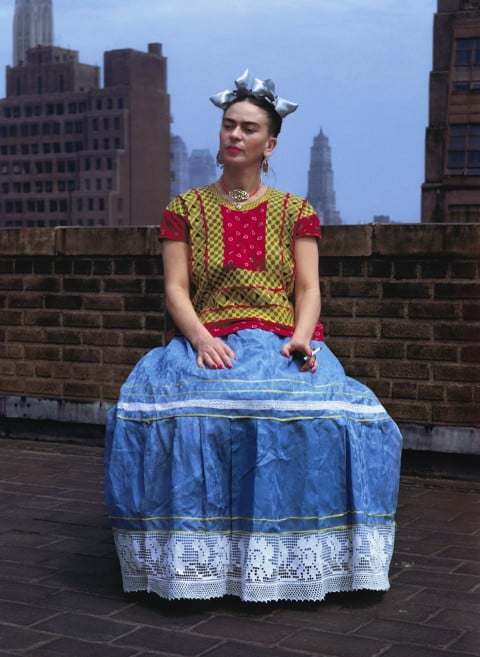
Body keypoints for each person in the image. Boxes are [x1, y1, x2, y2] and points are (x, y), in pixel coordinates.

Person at [104, 70, 402, 603]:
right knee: (187, 414)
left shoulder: (296, 212)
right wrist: (198, 339)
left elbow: (309, 289)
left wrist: (304, 338)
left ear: (270, 144)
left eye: (248, 128)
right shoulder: (184, 210)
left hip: (283, 338)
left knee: (333, 419)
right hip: (209, 335)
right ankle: (200, 562)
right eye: (228, 126)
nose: (234, 136)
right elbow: (175, 289)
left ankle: (294, 556)